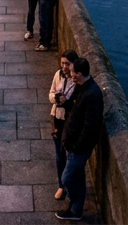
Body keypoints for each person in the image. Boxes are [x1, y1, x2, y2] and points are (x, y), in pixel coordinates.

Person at [57, 57, 104, 221]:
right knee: (78, 177)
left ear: (79, 73)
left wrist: (77, 146)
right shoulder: (81, 86)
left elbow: (90, 127)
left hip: (79, 148)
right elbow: (72, 106)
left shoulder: (92, 95)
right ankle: (76, 210)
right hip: (72, 143)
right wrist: (63, 101)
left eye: (72, 73)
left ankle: (75, 205)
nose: (71, 75)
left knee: (67, 178)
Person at [49, 51, 78, 204]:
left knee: (71, 156)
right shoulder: (57, 75)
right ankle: (62, 185)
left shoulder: (77, 80)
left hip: (70, 122)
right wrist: (55, 98)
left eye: (67, 63)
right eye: (63, 63)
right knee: (59, 154)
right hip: (57, 119)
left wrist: (66, 101)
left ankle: (70, 185)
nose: (64, 67)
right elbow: (51, 93)